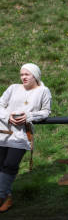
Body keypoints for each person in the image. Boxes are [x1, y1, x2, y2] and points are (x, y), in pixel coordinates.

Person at [0, 63, 51, 212]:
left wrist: (28, 116)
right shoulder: (13, 88)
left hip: (22, 134)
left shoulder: (43, 91)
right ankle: (7, 198)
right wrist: (7, 117)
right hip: (3, 130)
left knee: (10, 164)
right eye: (21, 74)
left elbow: (46, 111)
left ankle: (1, 195)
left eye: (26, 74)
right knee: (0, 164)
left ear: (35, 75)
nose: (23, 77)